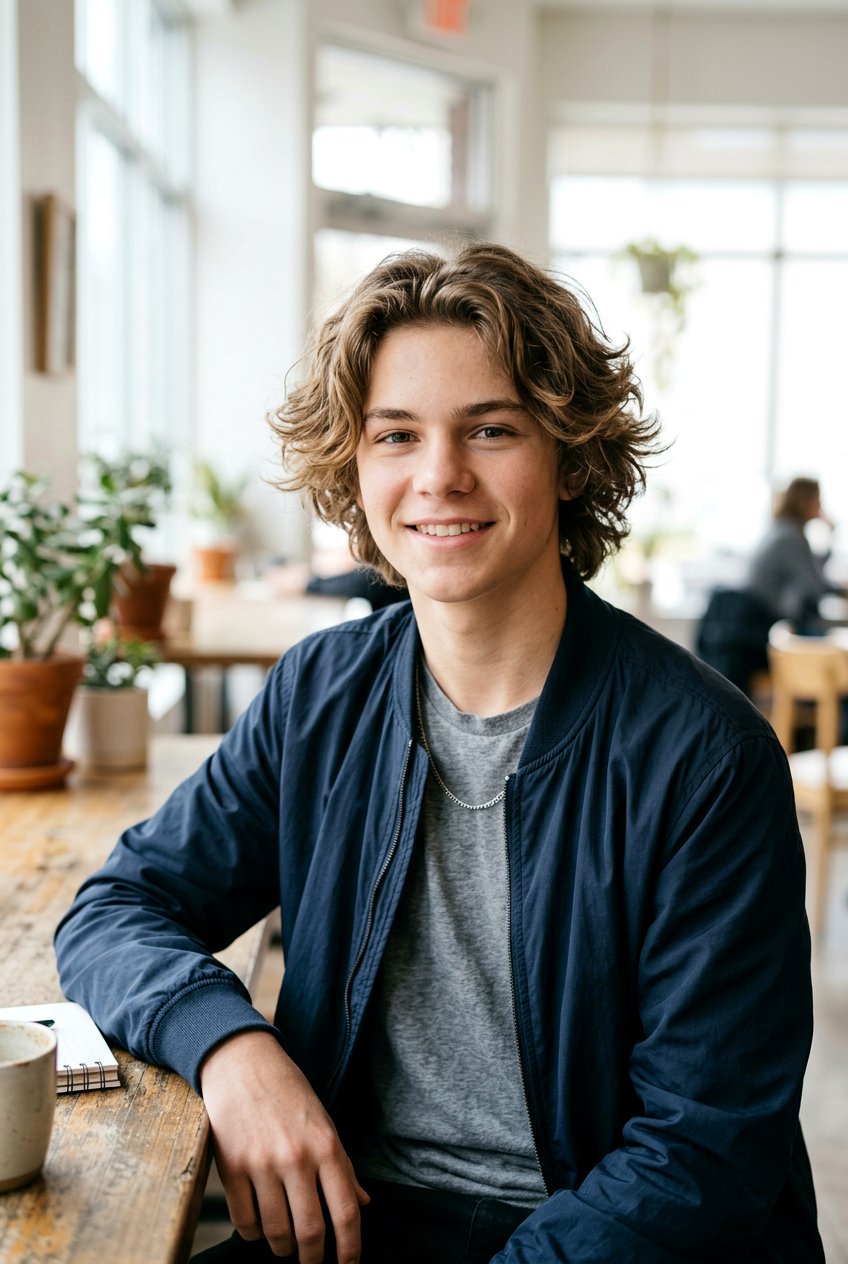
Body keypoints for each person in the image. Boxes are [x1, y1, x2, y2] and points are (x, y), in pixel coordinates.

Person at [55, 243, 823, 1264]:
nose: (438, 476)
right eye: (395, 435)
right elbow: (115, 909)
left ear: (567, 454)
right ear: (354, 465)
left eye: (490, 429)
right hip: (356, 1223)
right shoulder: (319, 695)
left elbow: (702, 1152)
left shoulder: (704, 756)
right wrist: (230, 1046)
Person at [747, 476, 845, 633]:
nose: (821, 506)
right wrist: (842, 592)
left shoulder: (782, 529)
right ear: (805, 501)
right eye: (818, 500)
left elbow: (811, 571)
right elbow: (815, 584)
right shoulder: (790, 538)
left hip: (767, 616)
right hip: (775, 619)